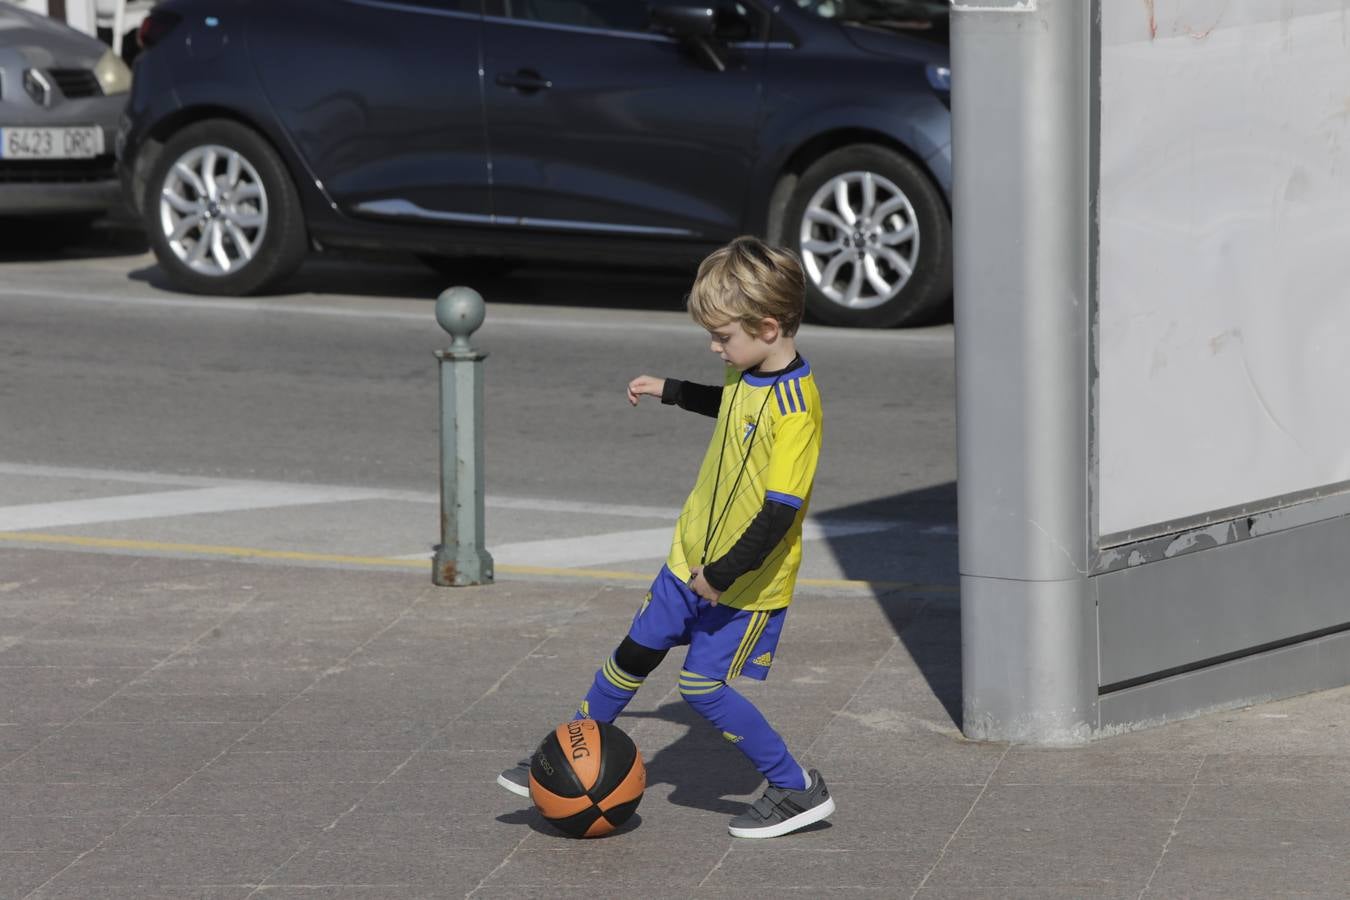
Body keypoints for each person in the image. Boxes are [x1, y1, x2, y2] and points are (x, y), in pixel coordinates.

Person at [497, 236, 833, 839]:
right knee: (633, 653)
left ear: (768, 325)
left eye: (722, 336)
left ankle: (795, 789)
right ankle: (562, 759)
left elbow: (779, 514)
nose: (715, 347)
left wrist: (722, 575)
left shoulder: (796, 409)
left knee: (701, 686)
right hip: (689, 562)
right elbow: (730, 407)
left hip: (742, 585)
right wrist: (669, 389)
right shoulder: (747, 370)